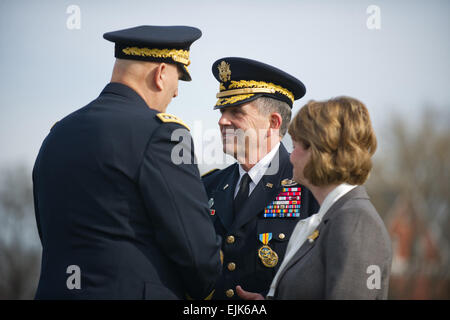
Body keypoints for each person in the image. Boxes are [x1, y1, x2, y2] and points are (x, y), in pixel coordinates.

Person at [32, 25, 222, 300]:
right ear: (160, 74)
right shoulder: (162, 134)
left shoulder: (57, 135)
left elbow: (51, 232)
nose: (176, 93)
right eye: (177, 79)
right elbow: (196, 252)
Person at [237, 96, 392, 300]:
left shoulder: (355, 220)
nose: (290, 156)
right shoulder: (331, 216)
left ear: (319, 150)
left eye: (295, 146)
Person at [202, 57, 319, 299]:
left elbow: (328, 281)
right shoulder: (208, 186)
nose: (222, 121)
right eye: (222, 111)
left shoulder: (310, 187)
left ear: (273, 123)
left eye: (236, 112)